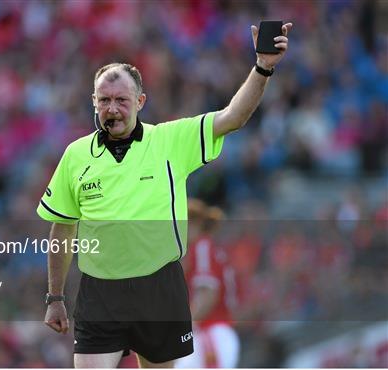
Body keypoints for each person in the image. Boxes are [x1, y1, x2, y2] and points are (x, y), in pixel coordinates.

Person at [37, 22, 292, 368]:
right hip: (99, 292)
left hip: (159, 288)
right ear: (93, 102)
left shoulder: (170, 140)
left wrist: (263, 67)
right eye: (105, 101)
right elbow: (62, 229)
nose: (112, 109)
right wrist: (55, 296)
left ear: (140, 101)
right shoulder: (75, 155)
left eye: (122, 101)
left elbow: (233, 117)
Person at [175, 199, 239, 368]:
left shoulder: (202, 245)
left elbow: (207, 294)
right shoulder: (202, 248)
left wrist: (186, 327)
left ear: (194, 223)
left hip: (210, 331)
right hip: (211, 332)